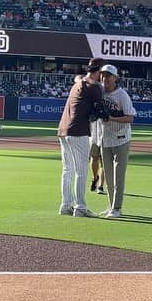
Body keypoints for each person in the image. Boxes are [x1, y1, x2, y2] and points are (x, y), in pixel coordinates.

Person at [57, 57, 106, 218]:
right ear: (98, 71)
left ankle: (65, 205)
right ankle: (80, 207)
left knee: (67, 170)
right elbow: (100, 111)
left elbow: (78, 78)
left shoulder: (79, 82)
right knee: (81, 170)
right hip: (78, 131)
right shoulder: (95, 87)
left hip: (63, 129)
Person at [98, 64, 136, 219]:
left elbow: (130, 117)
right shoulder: (99, 92)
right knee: (108, 176)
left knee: (118, 177)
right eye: (103, 75)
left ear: (115, 78)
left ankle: (117, 208)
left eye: (108, 76)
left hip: (121, 139)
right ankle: (111, 206)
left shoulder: (122, 95)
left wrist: (111, 117)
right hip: (105, 139)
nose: (105, 78)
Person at [89, 118, 105, 194]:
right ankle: (95, 178)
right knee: (94, 158)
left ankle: (100, 186)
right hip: (93, 137)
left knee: (104, 162)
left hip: (106, 137)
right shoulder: (91, 106)